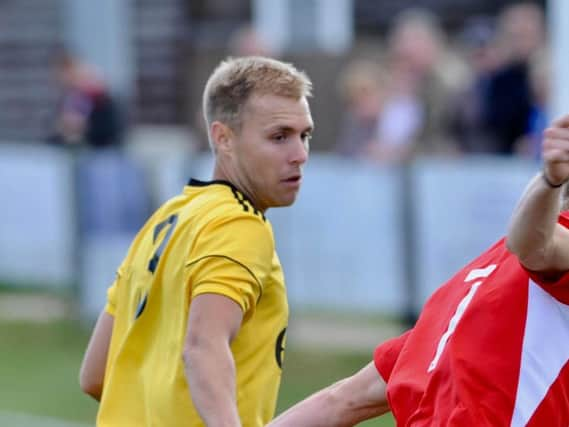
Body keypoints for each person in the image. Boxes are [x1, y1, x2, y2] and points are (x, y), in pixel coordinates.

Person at [269, 114, 569, 426]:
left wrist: (549, 180)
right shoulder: (485, 279)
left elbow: (536, 244)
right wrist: (549, 180)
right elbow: (346, 399)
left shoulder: (492, 273)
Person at [79, 56, 314, 426]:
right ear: (223, 139)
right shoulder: (240, 224)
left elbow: (95, 374)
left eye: (304, 135)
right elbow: (203, 347)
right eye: (279, 136)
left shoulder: (167, 218)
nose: (299, 154)